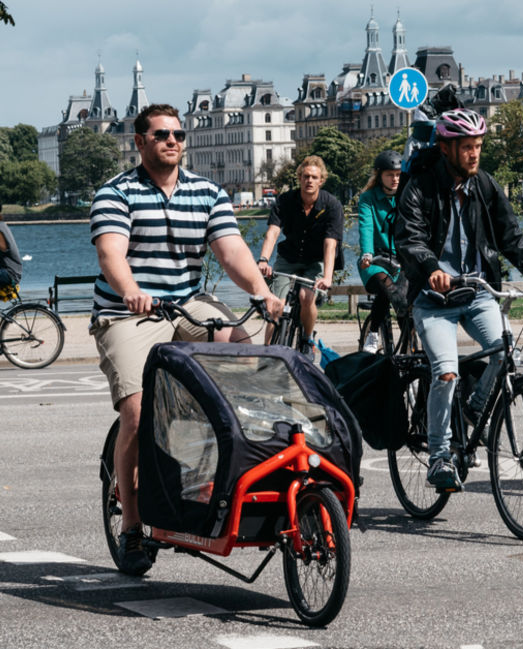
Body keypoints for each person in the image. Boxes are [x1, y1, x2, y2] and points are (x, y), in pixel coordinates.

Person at [89, 103, 282, 575]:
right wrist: (132, 290)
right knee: (136, 410)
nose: (172, 141)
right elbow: (111, 253)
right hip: (127, 312)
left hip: (186, 304)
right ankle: (132, 526)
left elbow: (232, 250)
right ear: (139, 143)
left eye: (178, 133)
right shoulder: (115, 193)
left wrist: (260, 292)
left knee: (246, 351)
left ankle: (232, 480)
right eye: (160, 135)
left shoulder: (207, 192)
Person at [394, 108, 523, 491]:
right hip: (433, 299)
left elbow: (512, 238)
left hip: (477, 293)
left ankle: (474, 410)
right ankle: (440, 456)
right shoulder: (420, 187)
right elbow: (409, 238)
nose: (475, 154)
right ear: (446, 148)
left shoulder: (485, 186)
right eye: (467, 147)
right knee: (446, 371)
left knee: (506, 353)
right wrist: (431, 267)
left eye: (478, 146)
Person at [257, 155, 344, 350]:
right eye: (305, 176)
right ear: (299, 178)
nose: (309, 181)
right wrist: (263, 260)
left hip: (316, 260)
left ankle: (306, 338)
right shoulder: (285, 201)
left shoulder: (331, 205)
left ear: (321, 180)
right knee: (275, 306)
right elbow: (273, 232)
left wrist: (328, 277)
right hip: (289, 257)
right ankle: (268, 351)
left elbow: (330, 244)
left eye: (314, 177)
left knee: (306, 297)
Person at [357, 149, 408, 352]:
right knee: (386, 286)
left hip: (401, 259)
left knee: (406, 301)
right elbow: (366, 226)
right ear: (380, 176)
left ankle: (408, 344)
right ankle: (373, 333)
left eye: (398, 174)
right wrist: (367, 253)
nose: (395, 179)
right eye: (390, 174)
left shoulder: (406, 195)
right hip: (375, 259)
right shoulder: (368, 198)